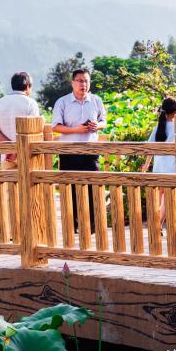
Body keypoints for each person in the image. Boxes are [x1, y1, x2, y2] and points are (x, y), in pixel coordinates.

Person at [51, 68, 107, 231]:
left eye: (87, 81)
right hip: (69, 152)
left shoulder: (96, 100)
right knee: (71, 188)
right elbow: (55, 126)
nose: (84, 84)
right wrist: (76, 129)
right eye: (80, 81)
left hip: (91, 151)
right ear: (72, 83)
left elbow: (104, 121)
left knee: (92, 187)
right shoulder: (62, 102)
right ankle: (73, 224)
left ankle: (92, 225)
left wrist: (97, 126)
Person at [0, 71, 41, 168]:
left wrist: (12, 148)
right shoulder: (31, 103)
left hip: (7, 156)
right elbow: (34, 131)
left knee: (9, 178)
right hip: (27, 156)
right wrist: (18, 149)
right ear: (28, 86)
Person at [144, 97, 176, 225]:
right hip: (172, 167)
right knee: (167, 198)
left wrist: (146, 166)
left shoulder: (158, 127)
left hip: (158, 167)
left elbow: (149, 149)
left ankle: (156, 222)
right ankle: (157, 223)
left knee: (159, 197)